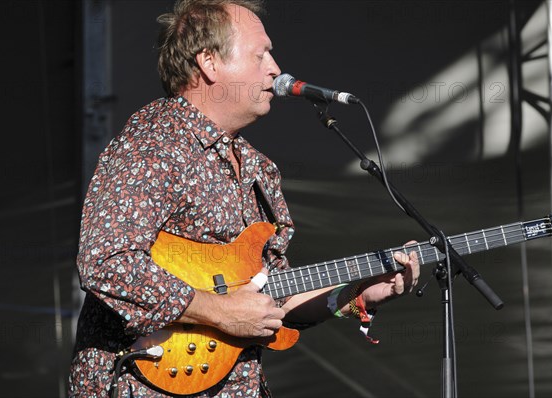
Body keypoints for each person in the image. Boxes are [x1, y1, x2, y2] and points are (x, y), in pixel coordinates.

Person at [68, 0, 420, 397]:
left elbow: (273, 296)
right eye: (260, 54)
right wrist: (219, 311)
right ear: (209, 63)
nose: (275, 68)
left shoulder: (258, 168)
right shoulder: (154, 144)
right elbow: (105, 261)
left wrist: (359, 293)